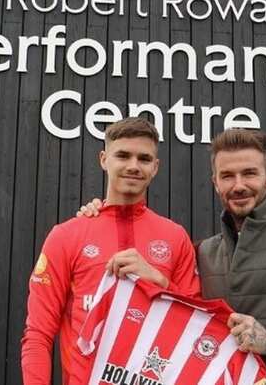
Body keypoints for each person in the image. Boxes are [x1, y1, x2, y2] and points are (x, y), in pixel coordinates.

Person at [79, 128, 266, 385]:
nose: (239, 185)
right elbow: (176, 309)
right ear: (215, 183)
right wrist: (100, 214)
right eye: (227, 176)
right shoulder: (203, 252)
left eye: (249, 173)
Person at [20, 117, 200, 385]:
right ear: (104, 159)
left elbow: (195, 327)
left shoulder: (175, 237)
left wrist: (159, 282)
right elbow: (38, 334)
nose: (133, 166)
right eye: (123, 155)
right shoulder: (66, 235)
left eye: (144, 159)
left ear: (156, 167)